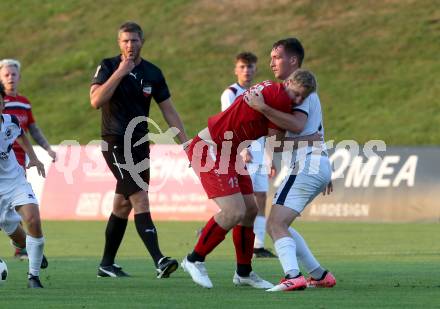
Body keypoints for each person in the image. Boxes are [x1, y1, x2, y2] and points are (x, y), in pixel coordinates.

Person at [181, 70, 317, 289]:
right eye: (297, 94)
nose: (298, 101)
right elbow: (277, 143)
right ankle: (193, 259)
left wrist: (266, 110)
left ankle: (244, 272)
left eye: (303, 98)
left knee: (251, 210)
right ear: (288, 82)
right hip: (211, 148)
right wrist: (309, 138)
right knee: (234, 211)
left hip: (230, 150)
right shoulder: (281, 99)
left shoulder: (272, 89)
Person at [90, 22, 188, 279]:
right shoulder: (109, 66)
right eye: (125, 41)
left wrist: (186, 143)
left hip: (139, 146)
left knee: (123, 205)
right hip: (114, 142)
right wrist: (121, 72)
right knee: (140, 198)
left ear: (141, 41)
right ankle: (160, 259)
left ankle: (106, 264)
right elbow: (95, 100)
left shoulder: (153, 73)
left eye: (134, 40)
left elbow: (169, 111)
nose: (130, 45)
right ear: (118, 43)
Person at [245, 38, 336, 291]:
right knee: (281, 224)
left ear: (293, 60)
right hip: (313, 164)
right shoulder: (294, 89)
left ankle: (292, 276)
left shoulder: (298, 87)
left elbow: (297, 126)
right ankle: (318, 275)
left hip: (306, 165)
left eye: (277, 57)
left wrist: (262, 108)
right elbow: (307, 133)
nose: (271, 62)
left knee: (275, 224)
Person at [220, 52, 276, 258]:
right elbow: (228, 124)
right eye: (242, 67)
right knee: (240, 202)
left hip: (260, 151)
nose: (247, 70)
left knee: (261, 196)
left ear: (256, 69)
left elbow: (267, 125)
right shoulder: (230, 93)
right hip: (241, 153)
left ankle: (258, 245)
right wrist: (242, 149)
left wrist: (269, 156)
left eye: (250, 66)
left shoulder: (260, 93)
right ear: (236, 69)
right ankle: (214, 228)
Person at [0, 59, 53, 264]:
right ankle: (27, 248)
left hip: (15, 164)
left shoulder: (23, 103)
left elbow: (28, 131)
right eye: (6, 75)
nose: (11, 78)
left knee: (19, 211)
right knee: (8, 217)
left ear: (19, 77)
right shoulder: (4, 104)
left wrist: (43, 152)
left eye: (14, 74)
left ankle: (29, 249)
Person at [0, 82, 46, 288]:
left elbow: (21, 136)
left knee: (33, 219)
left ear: (3, 103)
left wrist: (33, 158)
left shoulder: (10, 121)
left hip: (15, 182)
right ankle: (29, 246)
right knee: (14, 231)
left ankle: (33, 277)